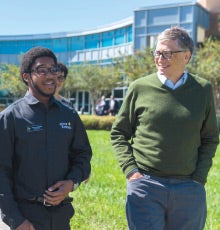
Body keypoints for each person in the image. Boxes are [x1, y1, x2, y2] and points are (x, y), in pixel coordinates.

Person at [110, 26, 219, 230]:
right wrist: (131, 172)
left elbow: (211, 137)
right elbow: (118, 133)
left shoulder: (203, 90)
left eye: (167, 53)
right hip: (146, 185)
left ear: (186, 56)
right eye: (157, 53)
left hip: (189, 188)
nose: (160, 58)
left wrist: (199, 178)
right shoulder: (139, 88)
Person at [0, 47, 92, 230]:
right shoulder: (10, 118)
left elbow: (83, 155)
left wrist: (71, 183)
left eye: (54, 69)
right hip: (26, 218)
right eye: (42, 70)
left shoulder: (69, 115)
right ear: (26, 77)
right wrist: (15, 219)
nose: (50, 76)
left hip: (61, 215)